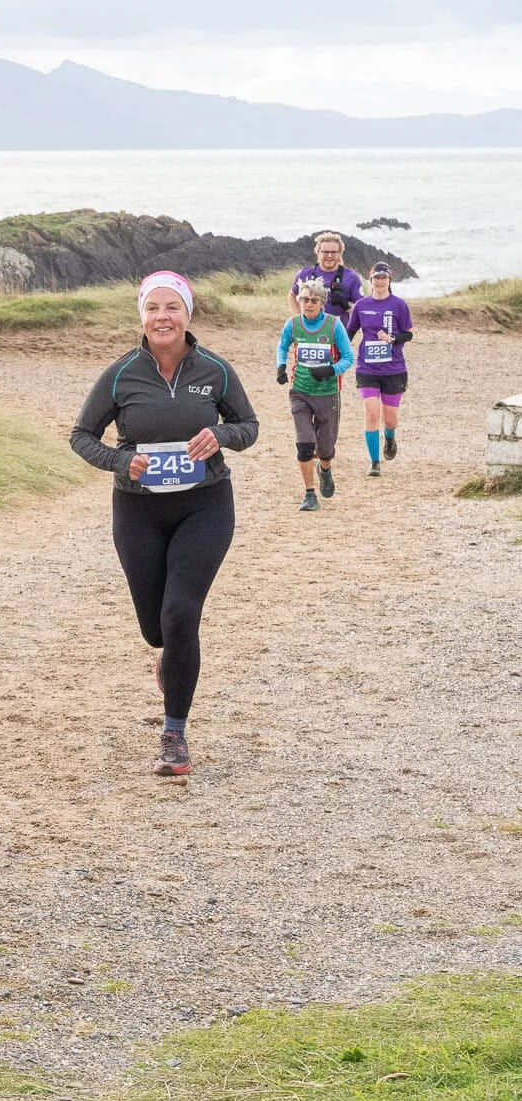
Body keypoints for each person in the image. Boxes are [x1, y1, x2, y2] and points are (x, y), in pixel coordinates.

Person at [70, 272, 258, 776]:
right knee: (157, 630)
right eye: (153, 308)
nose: (163, 317)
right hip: (138, 510)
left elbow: (250, 426)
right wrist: (117, 461)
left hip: (205, 505)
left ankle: (174, 734)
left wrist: (221, 435)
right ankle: (169, 659)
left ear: (187, 314)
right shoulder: (120, 375)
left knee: (180, 616)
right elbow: (81, 435)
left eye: (172, 307)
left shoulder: (215, 370)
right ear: (141, 315)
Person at [276, 278, 355, 510]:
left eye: (313, 300)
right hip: (299, 391)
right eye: (304, 299)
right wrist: (281, 366)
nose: (308, 304)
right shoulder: (293, 324)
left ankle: (326, 468)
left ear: (323, 303)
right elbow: (282, 346)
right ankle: (309, 495)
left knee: (325, 448)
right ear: (299, 301)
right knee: (304, 444)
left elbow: (348, 357)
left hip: (327, 393)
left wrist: (330, 369)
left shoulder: (333, 325)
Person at [344, 262, 413, 476]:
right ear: (370, 280)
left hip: (393, 369)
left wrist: (392, 338)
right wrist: (337, 351)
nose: (380, 281)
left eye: (384, 277)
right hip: (367, 369)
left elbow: (408, 334)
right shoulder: (361, 305)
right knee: (371, 414)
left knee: (389, 419)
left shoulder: (398, 305)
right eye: (376, 277)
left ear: (390, 280)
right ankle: (374, 462)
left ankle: (390, 437)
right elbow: (349, 332)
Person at [289, 230, 363, 325]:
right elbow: (292, 295)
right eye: (325, 252)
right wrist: (299, 319)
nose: (329, 255)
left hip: (338, 334)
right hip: (310, 331)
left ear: (339, 253)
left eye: (333, 252)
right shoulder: (304, 274)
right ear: (318, 252)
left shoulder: (352, 278)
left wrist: (346, 304)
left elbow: (361, 310)